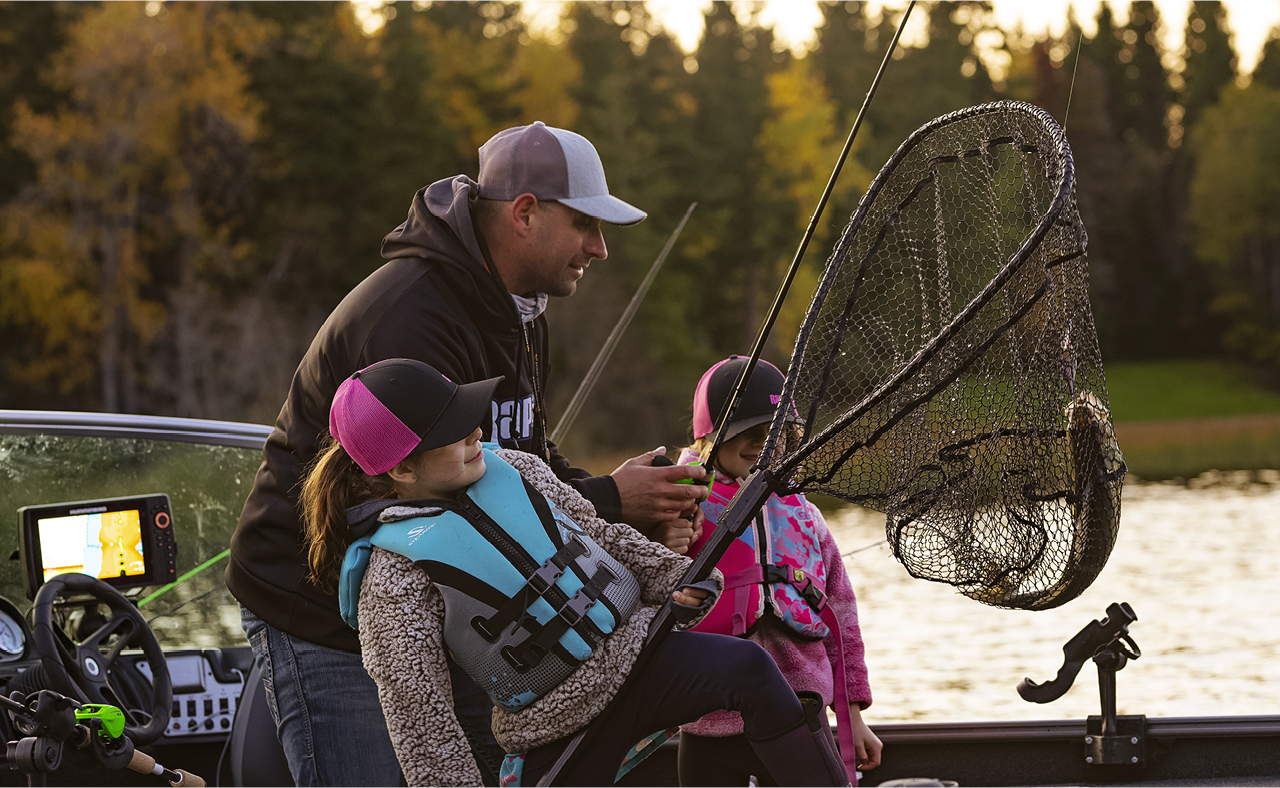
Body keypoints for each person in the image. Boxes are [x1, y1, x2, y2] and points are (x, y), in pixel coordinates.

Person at [227, 122, 707, 785]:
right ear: (526, 213)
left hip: (446, 599)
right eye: (585, 225)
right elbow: (436, 495)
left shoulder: (519, 311)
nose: (599, 249)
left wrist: (630, 507)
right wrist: (611, 499)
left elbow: (520, 452)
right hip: (322, 606)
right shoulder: (412, 320)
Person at [302, 358, 850, 787]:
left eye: (467, 412)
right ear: (402, 467)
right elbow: (421, 721)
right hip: (554, 724)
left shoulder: (514, 467)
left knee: (751, 670)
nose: (474, 429)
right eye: (453, 428)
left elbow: (599, 534)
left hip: (641, 653)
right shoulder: (391, 574)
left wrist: (673, 578)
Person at [675, 356, 883, 786]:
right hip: (706, 722)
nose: (760, 443)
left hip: (798, 715)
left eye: (773, 431)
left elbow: (842, 617)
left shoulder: (805, 516)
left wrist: (853, 716)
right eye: (744, 432)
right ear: (708, 438)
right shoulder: (680, 507)